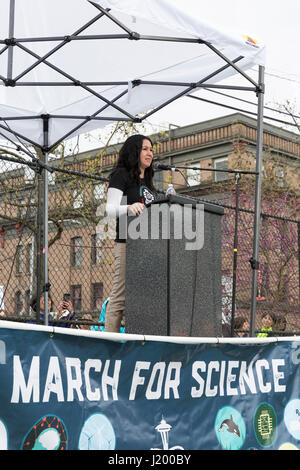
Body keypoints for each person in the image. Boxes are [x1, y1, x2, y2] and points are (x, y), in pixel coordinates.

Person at [104, 134, 157, 332]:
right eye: (145, 149)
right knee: (120, 296)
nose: (150, 153)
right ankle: (111, 343)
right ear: (134, 151)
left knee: (146, 295)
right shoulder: (121, 175)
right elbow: (110, 209)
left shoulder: (149, 181)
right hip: (127, 243)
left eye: (151, 149)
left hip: (148, 246)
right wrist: (128, 207)